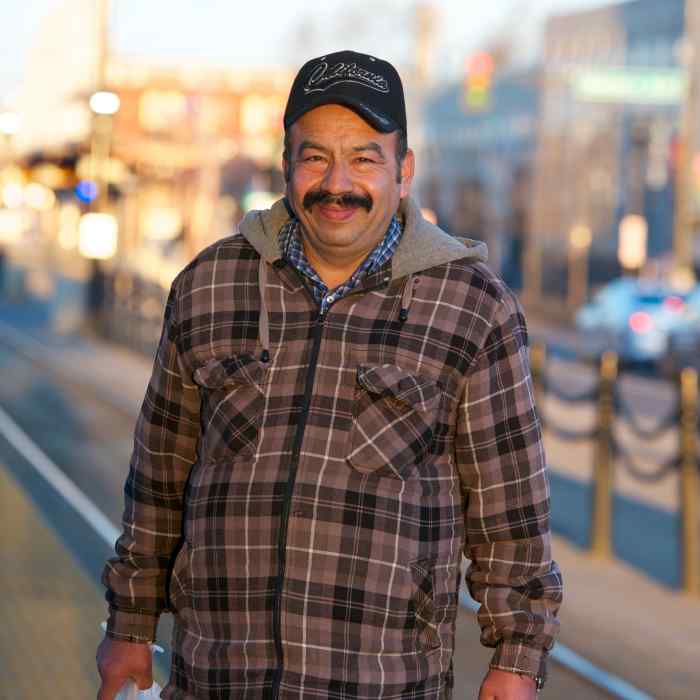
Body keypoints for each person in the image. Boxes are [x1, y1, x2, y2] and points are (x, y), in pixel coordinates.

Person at [97, 50, 562, 700]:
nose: (336, 182)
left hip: (382, 684)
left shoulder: (470, 305)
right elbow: (158, 479)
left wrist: (517, 659)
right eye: (315, 156)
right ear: (286, 165)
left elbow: (510, 512)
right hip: (217, 679)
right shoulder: (210, 286)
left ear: (403, 170)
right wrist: (130, 623)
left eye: (364, 158)